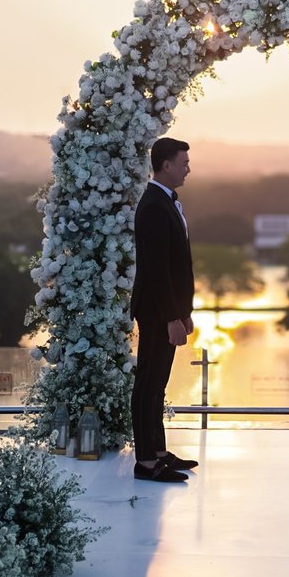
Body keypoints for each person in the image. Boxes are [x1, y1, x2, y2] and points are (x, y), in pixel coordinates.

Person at [129, 136, 200, 483]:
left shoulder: (167, 202)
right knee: (148, 383)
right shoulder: (155, 205)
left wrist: (184, 311)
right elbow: (156, 270)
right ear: (166, 165)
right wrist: (171, 316)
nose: (188, 168)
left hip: (168, 308)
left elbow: (178, 266)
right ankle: (145, 462)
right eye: (184, 162)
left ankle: (157, 452)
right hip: (157, 309)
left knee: (157, 384)